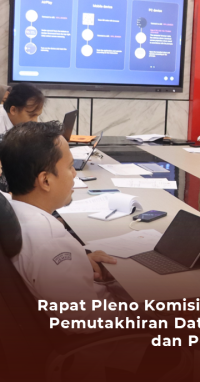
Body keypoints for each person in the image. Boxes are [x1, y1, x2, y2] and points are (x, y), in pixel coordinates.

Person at [0, 121, 116, 302]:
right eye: (70, 166)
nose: (74, 173)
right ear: (45, 181)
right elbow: (82, 316)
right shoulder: (51, 242)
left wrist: (78, 261)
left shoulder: (11, 210)